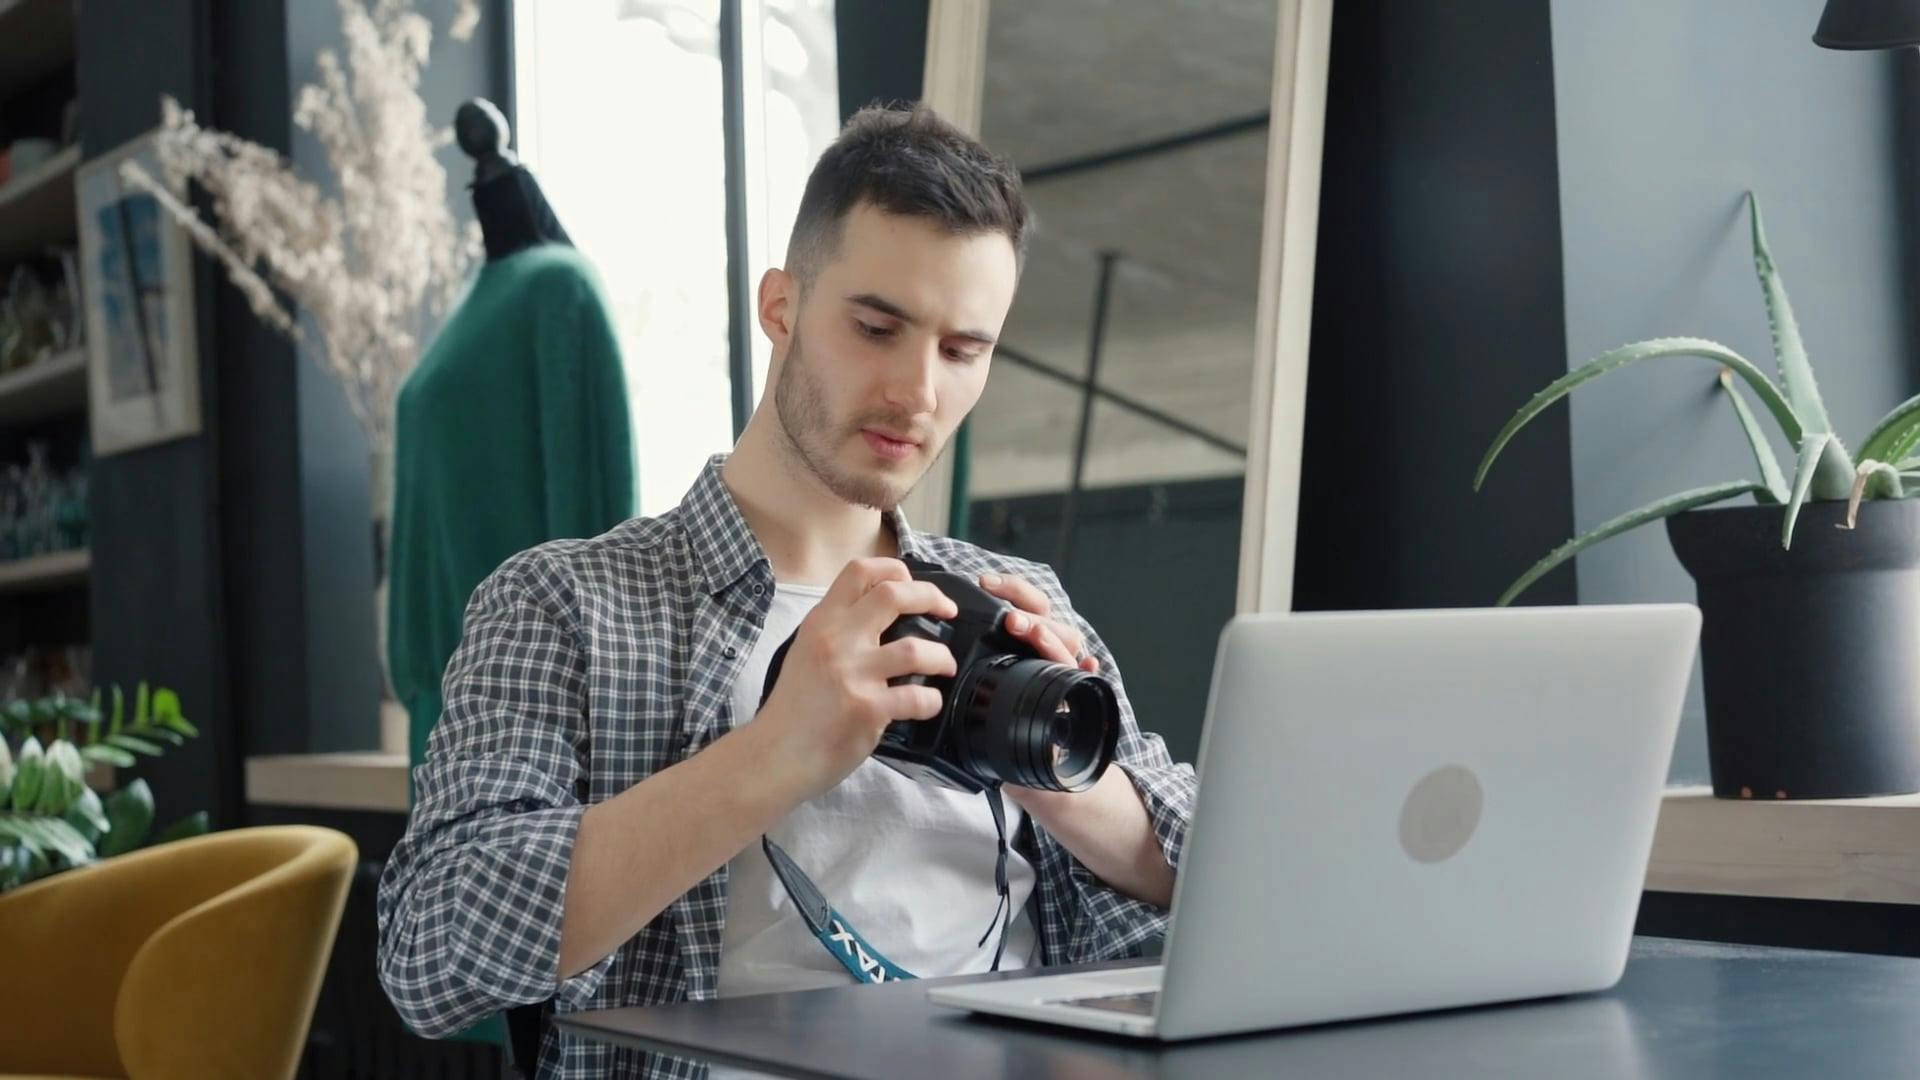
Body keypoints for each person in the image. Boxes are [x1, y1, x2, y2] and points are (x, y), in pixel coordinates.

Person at [376, 103, 1197, 1080]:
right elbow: (430, 954)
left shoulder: (1019, 602)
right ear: (781, 306)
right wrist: (774, 755)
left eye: (961, 350)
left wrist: (1060, 777)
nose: (916, 392)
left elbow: (1215, 872)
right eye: (877, 326)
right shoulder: (565, 605)